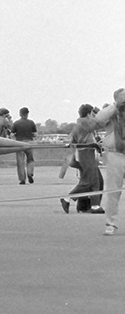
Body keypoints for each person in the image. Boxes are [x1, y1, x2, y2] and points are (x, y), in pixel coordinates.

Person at [89, 88, 125, 235]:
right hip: (115, 154)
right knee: (113, 192)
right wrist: (115, 106)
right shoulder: (112, 114)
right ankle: (111, 223)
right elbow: (99, 119)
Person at [61, 103, 103, 215]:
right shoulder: (85, 123)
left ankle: (95, 205)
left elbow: (72, 140)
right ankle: (67, 198)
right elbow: (99, 124)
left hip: (83, 153)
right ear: (89, 113)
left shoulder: (78, 124)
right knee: (89, 181)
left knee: (94, 180)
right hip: (86, 153)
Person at [10, 107, 38, 184]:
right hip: (29, 143)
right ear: (27, 114)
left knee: (20, 162)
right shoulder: (31, 123)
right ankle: (30, 173)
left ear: (20, 114)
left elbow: (12, 134)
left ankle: (22, 179)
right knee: (30, 159)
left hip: (19, 143)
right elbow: (35, 134)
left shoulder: (16, 123)